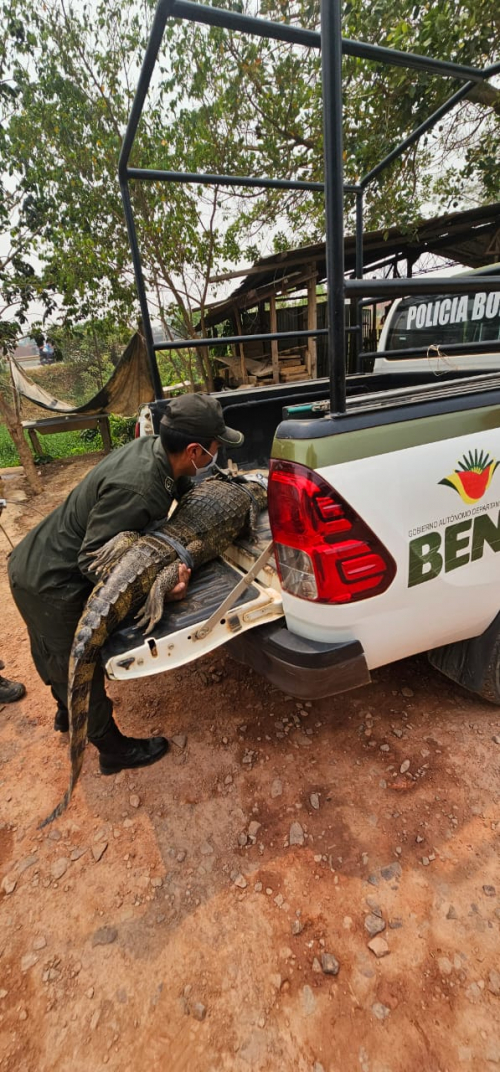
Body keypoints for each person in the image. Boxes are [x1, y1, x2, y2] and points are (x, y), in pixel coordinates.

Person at [8, 394, 243, 775]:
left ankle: (67, 714)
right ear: (196, 451)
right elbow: (91, 559)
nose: (218, 453)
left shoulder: (156, 451)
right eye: (216, 448)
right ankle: (111, 749)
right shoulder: (138, 489)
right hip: (53, 582)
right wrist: (161, 588)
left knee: (55, 656)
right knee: (80, 662)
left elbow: (180, 490)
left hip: (34, 558)